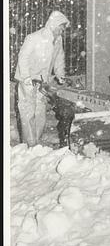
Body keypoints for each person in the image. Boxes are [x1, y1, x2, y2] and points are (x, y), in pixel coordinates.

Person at [14, 10, 70, 147]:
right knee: (28, 112)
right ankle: (30, 145)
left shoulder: (58, 40)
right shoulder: (34, 38)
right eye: (61, 27)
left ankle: (36, 141)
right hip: (27, 79)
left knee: (40, 112)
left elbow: (59, 59)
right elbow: (23, 58)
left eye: (64, 28)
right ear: (53, 24)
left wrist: (60, 74)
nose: (62, 30)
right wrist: (26, 78)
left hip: (42, 81)